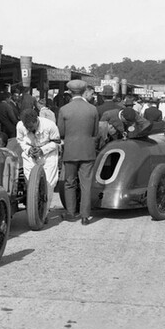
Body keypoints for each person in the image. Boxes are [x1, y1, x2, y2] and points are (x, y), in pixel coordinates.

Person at [57, 79, 100, 225]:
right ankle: (85, 216)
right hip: (88, 150)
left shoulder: (64, 109)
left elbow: (61, 132)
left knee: (69, 182)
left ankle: (70, 213)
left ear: (70, 92)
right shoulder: (92, 109)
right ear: (84, 91)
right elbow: (95, 132)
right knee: (86, 183)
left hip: (70, 151)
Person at [16, 108, 62, 214]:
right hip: (30, 154)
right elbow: (20, 140)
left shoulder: (50, 125)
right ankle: (33, 210)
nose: (29, 129)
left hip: (48, 154)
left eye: (31, 127)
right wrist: (28, 150)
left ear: (36, 120)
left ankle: (44, 213)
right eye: (27, 127)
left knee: (49, 183)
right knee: (30, 182)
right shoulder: (20, 126)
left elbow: (57, 142)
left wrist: (42, 150)